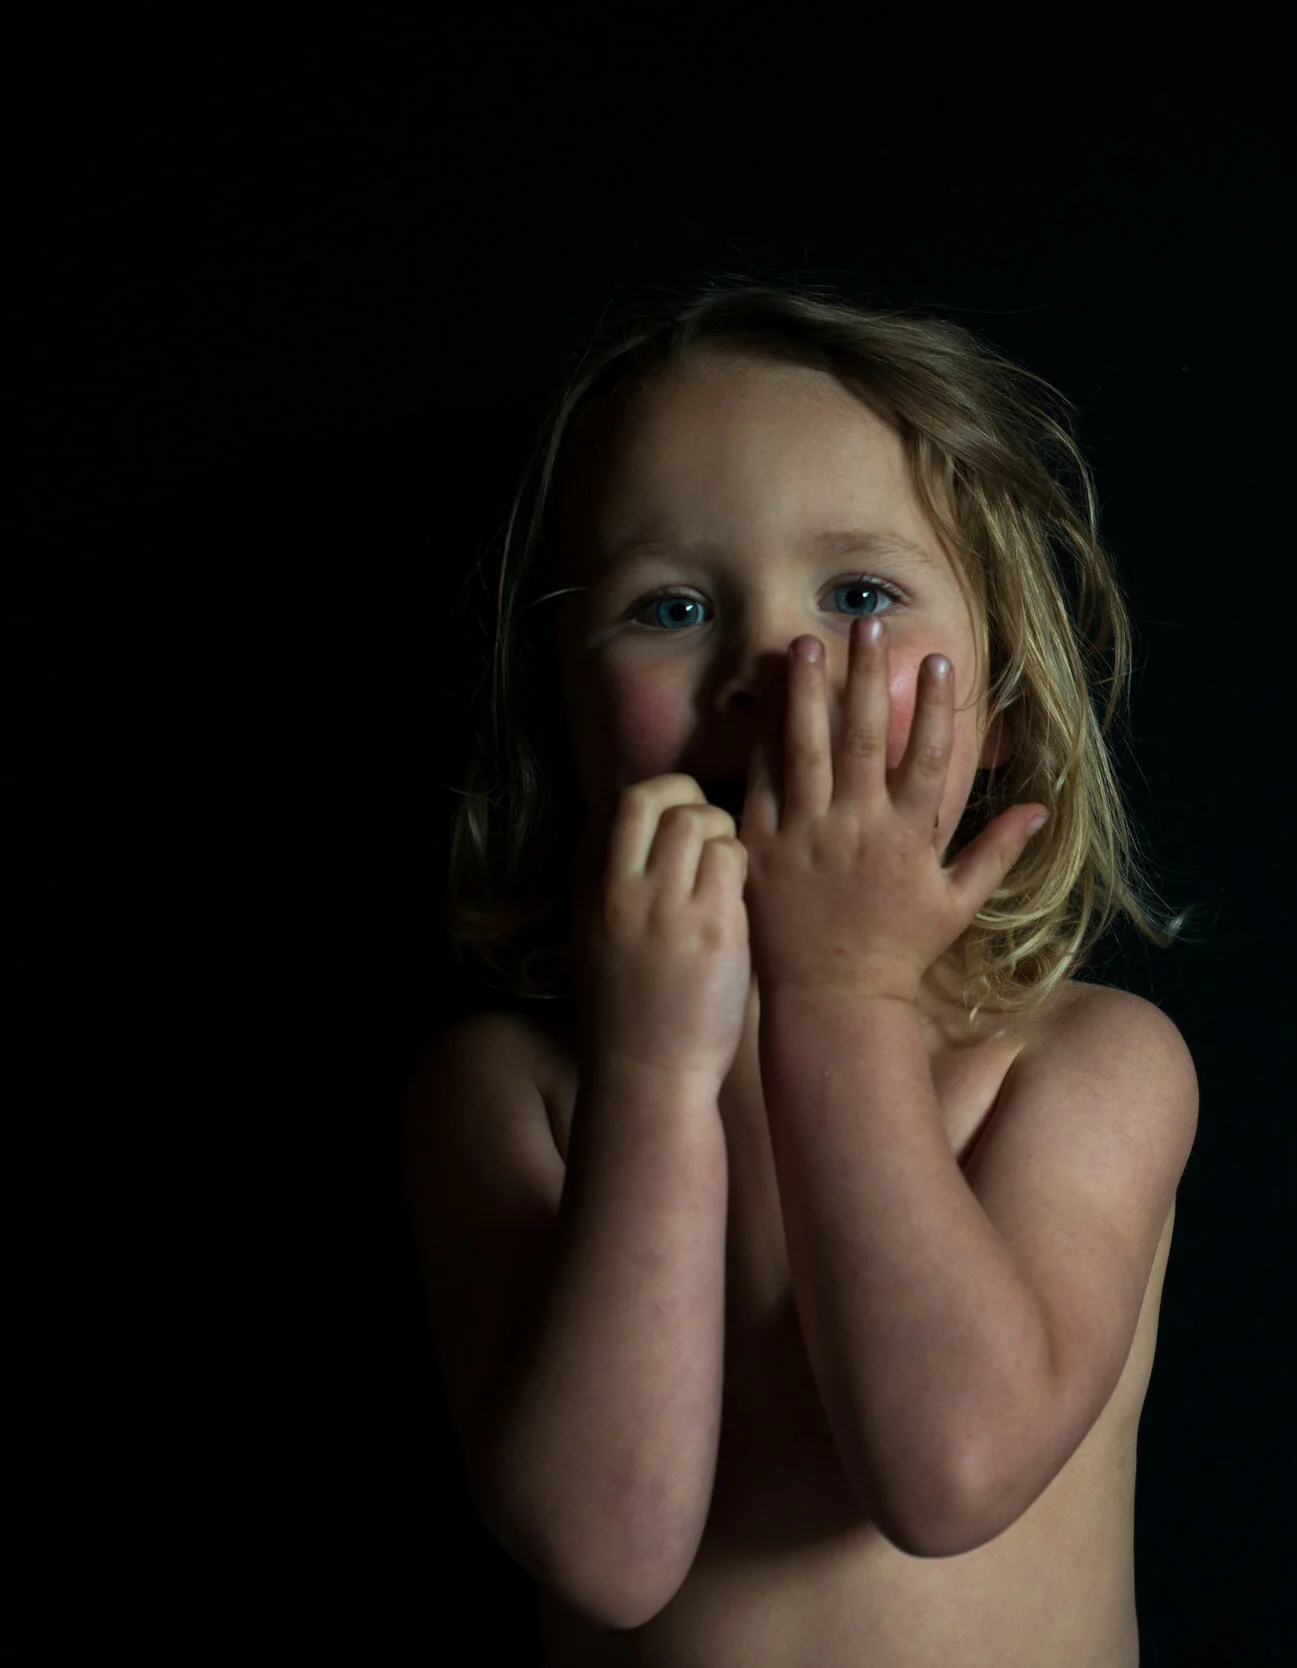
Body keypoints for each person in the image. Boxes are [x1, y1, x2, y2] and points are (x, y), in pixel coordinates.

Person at [398, 281, 1199, 1665]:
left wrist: (846, 996)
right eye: (674, 604)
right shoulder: (507, 1091)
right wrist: (651, 1079)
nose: (775, 667)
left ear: (1001, 708)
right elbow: (606, 1547)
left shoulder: (1085, 1062)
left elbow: (948, 1472)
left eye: (863, 593)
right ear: (562, 715)